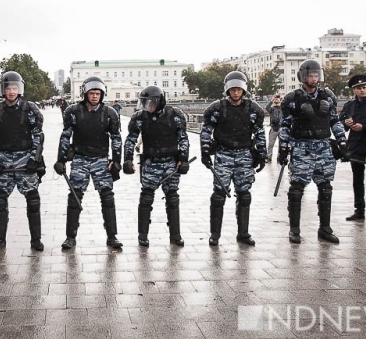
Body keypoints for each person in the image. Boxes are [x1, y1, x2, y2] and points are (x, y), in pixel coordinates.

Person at [278, 59, 348, 244]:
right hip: (301, 147)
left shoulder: (327, 96)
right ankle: (294, 229)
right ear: (303, 76)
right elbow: (284, 125)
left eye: (317, 75)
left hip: (323, 146)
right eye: (311, 75)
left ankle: (325, 228)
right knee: (296, 190)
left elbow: (335, 121)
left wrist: (342, 142)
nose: (314, 78)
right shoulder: (292, 99)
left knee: (325, 188)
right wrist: (283, 148)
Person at [54, 76, 123, 249]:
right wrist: (61, 159)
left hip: (100, 159)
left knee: (107, 197)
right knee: (75, 196)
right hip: (80, 158)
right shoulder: (73, 112)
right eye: (91, 93)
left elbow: (116, 138)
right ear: (85, 94)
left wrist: (116, 161)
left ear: (102, 94)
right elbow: (65, 136)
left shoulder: (109, 113)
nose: (94, 96)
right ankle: (70, 237)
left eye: (97, 93)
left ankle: (112, 236)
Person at [200, 72, 266, 246]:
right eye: (233, 89)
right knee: (219, 195)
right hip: (223, 154)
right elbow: (206, 131)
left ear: (243, 90)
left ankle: (243, 233)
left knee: (244, 195)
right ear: (227, 90)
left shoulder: (253, 110)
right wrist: (205, 152)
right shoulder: (217, 108)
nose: (236, 93)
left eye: (238, 89)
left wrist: (262, 154)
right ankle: (215, 234)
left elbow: (260, 133)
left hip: (244, 154)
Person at [0, 71, 46, 252]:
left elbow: (38, 136)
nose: (11, 92)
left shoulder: (30, 109)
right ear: (3, 90)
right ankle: (0, 240)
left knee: (33, 200)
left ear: (20, 89)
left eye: (15, 88)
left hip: (25, 158)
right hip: (4, 159)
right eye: (8, 88)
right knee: (0, 201)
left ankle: (36, 240)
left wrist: (35, 159)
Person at [123, 85, 190, 247]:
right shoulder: (140, 118)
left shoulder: (174, 115)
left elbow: (183, 138)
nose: (148, 107)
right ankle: (142, 235)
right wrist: (127, 159)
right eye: (145, 104)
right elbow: (131, 139)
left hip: (170, 162)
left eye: (151, 103)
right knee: (146, 198)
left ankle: (175, 235)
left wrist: (184, 158)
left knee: (172, 198)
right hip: (150, 163)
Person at [339, 75, 366, 221]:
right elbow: (341, 126)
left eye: (364, 87)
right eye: (359, 88)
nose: (362, 90)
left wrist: (363, 127)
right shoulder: (349, 106)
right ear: (354, 90)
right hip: (355, 145)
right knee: (357, 179)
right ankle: (359, 210)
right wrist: (347, 123)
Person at [265, 95, 282, 163]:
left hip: (281, 129)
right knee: (271, 144)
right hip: (273, 129)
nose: (276, 100)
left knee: (281, 145)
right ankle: (269, 157)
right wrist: (271, 100)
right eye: (275, 99)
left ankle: (279, 158)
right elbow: (267, 107)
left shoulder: (282, 108)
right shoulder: (272, 109)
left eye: (278, 99)